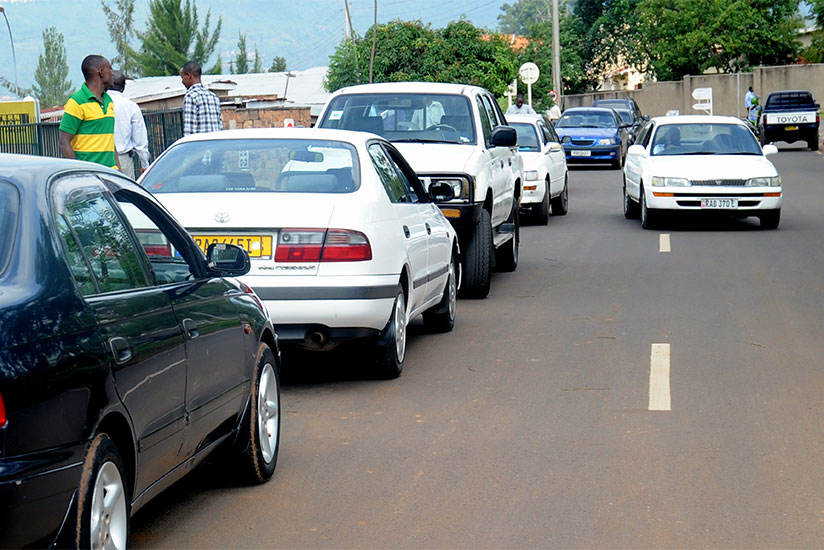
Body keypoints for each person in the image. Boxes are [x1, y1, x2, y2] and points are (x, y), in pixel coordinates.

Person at [59, 55, 120, 170]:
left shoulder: (109, 101)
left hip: (111, 174)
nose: (113, 73)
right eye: (110, 68)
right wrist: (78, 173)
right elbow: (64, 142)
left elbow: (110, 142)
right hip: (89, 175)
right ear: (101, 72)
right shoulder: (76, 102)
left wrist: (120, 172)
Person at [109, 70, 150, 179]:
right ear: (123, 87)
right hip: (123, 160)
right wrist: (145, 164)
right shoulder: (130, 106)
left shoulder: (98, 103)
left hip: (100, 158)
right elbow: (140, 141)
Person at [180, 60, 223, 135]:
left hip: (200, 145)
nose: (182, 81)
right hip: (216, 145)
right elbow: (220, 126)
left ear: (189, 75)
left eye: (183, 77)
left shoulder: (191, 96)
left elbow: (189, 130)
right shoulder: (213, 97)